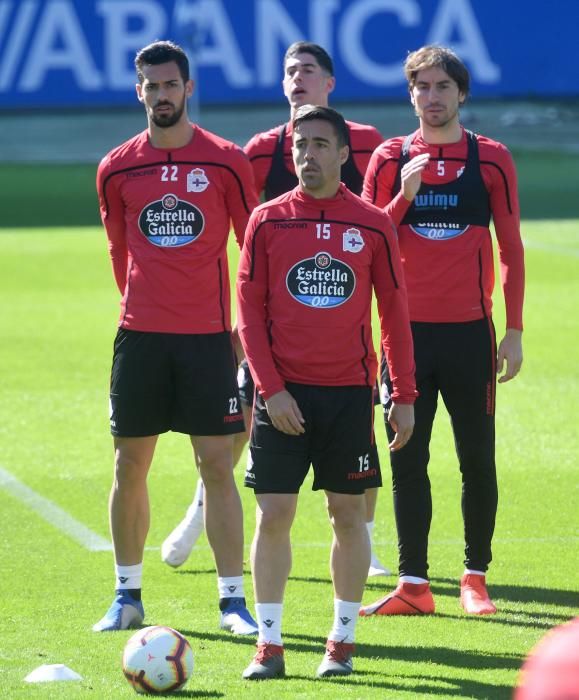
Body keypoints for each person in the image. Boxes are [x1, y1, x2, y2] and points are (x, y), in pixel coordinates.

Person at [162, 41, 391, 578]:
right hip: (273, 319)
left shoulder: (365, 142)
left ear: (330, 83)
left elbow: (380, 229)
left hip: (342, 312)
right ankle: (198, 519)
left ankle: (369, 545)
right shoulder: (262, 150)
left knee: (359, 435)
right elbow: (244, 232)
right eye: (289, 71)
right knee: (244, 425)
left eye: (308, 70)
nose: (297, 79)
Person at [238, 104, 416, 680]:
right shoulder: (266, 220)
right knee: (274, 515)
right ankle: (269, 644)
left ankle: (341, 641)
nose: (306, 155)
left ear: (344, 153)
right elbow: (248, 313)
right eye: (299, 145)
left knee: (347, 515)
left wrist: (403, 393)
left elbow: (394, 314)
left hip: (347, 397)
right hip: (283, 397)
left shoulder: (373, 224)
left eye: (319, 144)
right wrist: (272, 391)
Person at [93, 40, 259, 635]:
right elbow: (119, 251)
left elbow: (253, 251)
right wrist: (144, 304)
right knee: (128, 464)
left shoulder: (226, 161)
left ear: (189, 89)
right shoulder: (116, 167)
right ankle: (127, 594)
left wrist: (243, 327)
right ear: (139, 91)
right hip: (140, 339)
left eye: (170, 85)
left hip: (208, 340)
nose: (160, 95)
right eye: (150, 85)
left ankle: (233, 601)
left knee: (217, 464)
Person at [358, 45, 525, 618]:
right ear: (410, 95)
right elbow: (366, 240)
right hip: (401, 340)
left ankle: (475, 579)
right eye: (422, 87)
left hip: (471, 337)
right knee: (408, 459)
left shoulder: (491, 158)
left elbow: (511, 249)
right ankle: (414, 584)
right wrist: (404, 196)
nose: (432, 98)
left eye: (442, 87)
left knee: (477, 457)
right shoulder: (388, 158)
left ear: (461, 93)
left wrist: (516, 329)